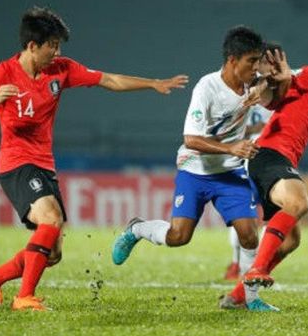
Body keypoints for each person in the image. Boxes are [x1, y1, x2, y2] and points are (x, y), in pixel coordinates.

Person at [0, 6, 188, 311]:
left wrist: (152, 83)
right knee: (51, 219)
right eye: (52, 45)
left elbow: (108, 79)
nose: (56, 51)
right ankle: (24, 297)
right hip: (16, 163)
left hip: (44, 165)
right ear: (32, 46)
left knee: (53, 253)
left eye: (58, 45)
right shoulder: (1, 74)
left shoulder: (61, 69)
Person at [110, 26, 267, 307]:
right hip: (196, 172)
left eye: (258, 61)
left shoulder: (253, 83)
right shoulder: (207, 88)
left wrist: (264, 87)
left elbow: (276, 81)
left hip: (230, 172)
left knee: (248, 233)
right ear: (233, 60)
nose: (256, 68)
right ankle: (137, 229)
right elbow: (191, 139)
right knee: (178, 236)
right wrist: (232, 147)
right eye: (251, 61)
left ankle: (248, 299)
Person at [221, 34, 308, 311]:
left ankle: (237, 297)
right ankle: (256, 270)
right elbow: (279, 84)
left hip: (276, 158)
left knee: (291, 241)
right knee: (299, 203)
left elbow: (279, 100)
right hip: (268, 154)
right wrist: (272, 79)